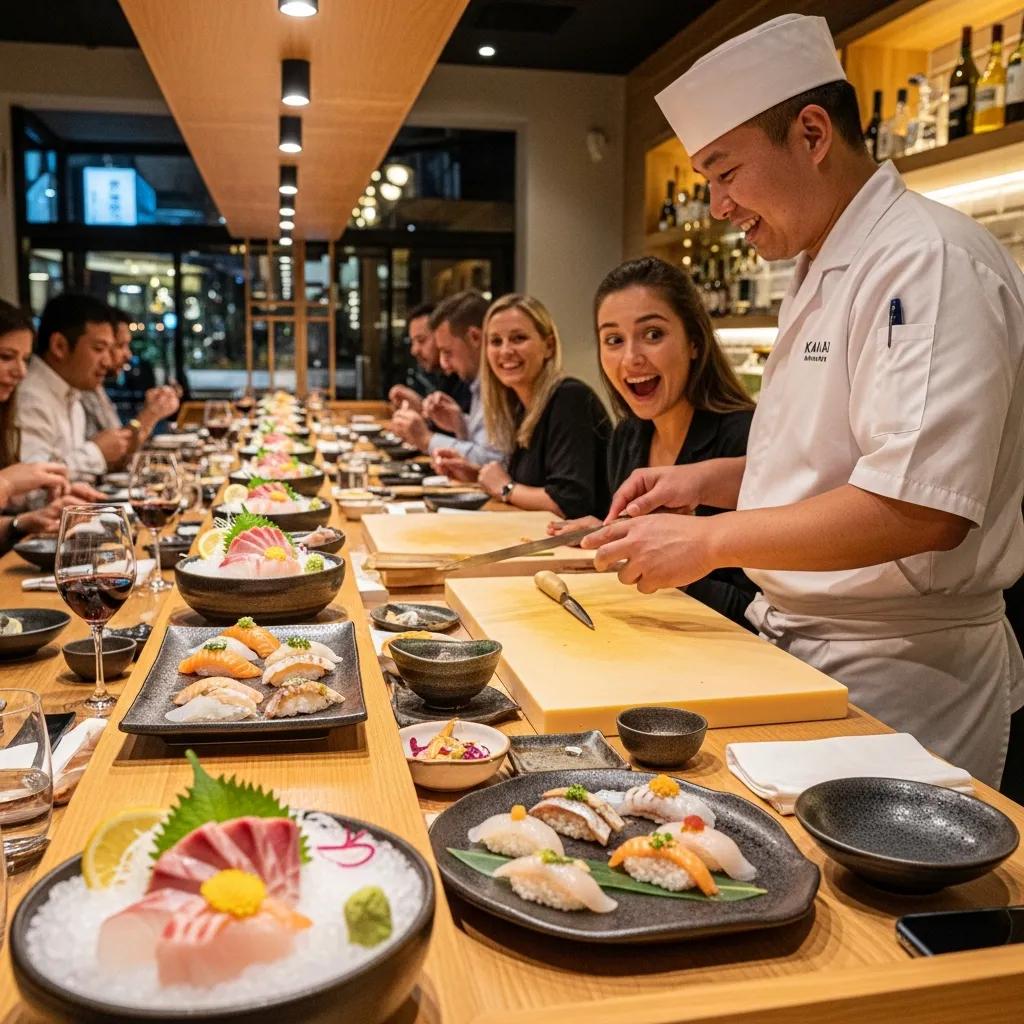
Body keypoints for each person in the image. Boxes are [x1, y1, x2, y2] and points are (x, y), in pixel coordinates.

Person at [582, 13, 1024, 788]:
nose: (717, 204)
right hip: (806, 645)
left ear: (813, 133)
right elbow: (834, 459)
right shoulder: (822, 263)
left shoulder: (926, 258)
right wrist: (706, 485)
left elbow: (923, 507)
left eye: (725, 172)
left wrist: (712, 543)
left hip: (901, 668)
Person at [550, 257, 757, 627]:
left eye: (653, 335)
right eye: (614, 340)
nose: (631, 358)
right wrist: (606, 533)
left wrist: (663, 560)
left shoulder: (746, 438)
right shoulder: (627, 436)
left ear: (694, 342)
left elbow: (757, 609)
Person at [436, 293, 611, 519]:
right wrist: (477, 476)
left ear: (548, 346)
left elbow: (568, 503)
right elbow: (531, 483)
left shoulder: (570, 399)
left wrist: (506, 488)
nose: (506, 351)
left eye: (518, 338)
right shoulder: (521, 406)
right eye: (496, 341)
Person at [0, 300, 104, 549]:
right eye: (5, 357)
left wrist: (22, 523)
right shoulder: (32, 396)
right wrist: (6, 483)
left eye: (25, 359)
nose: (21, 372)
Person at [18, 293, 133, 480]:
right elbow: (30, 492)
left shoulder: (72, 393)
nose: (107, 361)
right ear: (59, 346)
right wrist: (96, 453)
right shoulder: (30, 396)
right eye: (98, 349)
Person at [390, 290, 504, 465]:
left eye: (447, 352)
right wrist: (461, 424)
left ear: (475, 337)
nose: (444, 364)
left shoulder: (502, 383)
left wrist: (426, 439)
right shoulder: (477, 383)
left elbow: (493, 462)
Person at [81, 308, 179, 463]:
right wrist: (150, 415)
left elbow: (119, 450)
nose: (128, 355)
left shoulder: (95, 388)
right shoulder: (80, 390)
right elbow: (117, 456)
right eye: (120, 346)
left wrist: (151, 414)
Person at [387, 302, 471, 414]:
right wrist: (420, 407)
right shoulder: (440, 377)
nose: (414, 350)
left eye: (421, 340)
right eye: (412, 342)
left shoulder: (465, 378)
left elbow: (459, 428)